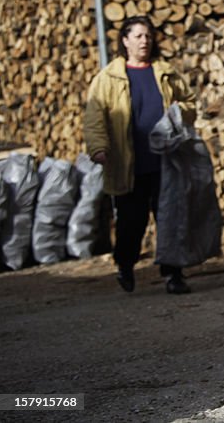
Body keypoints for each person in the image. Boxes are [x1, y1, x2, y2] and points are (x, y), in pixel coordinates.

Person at [83, 16, 197, 295]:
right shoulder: (108, 79)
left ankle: (173, 274)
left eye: (148, 36)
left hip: (165, 161)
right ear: (125, 41)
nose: (144, 41)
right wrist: (98, 147)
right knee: (131, 221)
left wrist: (181, 113)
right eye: (138, 36)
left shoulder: (165, 73)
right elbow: (94, 118)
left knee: (169, 218)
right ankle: (125, 264)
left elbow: (189, 102)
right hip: (128, 163)